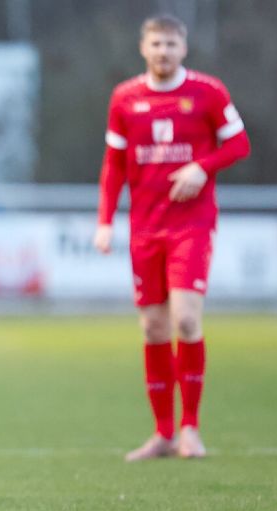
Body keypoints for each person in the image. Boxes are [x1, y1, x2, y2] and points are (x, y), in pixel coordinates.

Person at [92, 14, 250, 462]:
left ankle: (191, 430)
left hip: (191, 226)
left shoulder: (208, 92)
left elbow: (239, 145)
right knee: (153, 327)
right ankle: (162, 433)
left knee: (185, 320)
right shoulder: (125, 98)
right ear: (144, 48)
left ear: (184, 48)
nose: (163, 52)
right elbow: (114, 166)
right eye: (156, 44)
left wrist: (203, 167)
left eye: (171, 45)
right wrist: (105, 221)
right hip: (144, 227)